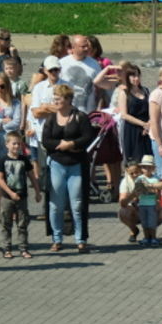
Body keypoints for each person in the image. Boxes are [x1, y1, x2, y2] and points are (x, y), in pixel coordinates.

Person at [41, 83, 94, 252]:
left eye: (58, 98)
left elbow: (88, 137)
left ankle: (80, 238)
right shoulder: (51, 119)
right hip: (57, 163)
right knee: (55, 204)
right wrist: (60, 145)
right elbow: (46, 140)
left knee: (77, 203)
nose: (55, 101)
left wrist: (71, 144)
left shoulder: (80, 117)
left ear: (68, 99)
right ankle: (57, 238)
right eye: (54, 98)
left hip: (76, 164)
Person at [0, 130, 38, 258]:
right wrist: (10, 193)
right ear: (7, 145)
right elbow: (0, 179)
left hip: (22, 196)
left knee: (22, 223)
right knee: (6, 223)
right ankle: (7, 248)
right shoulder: (3, 160)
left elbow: (32, 176)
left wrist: (37, 192)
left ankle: (23, 248)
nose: (17, 146)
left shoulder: (24, 160)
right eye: (14, 144)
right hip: (7, 197)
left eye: (19, 144)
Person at [60, 34, 113, 115]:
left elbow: (100, 89)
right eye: (83, 46)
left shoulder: (94, 64)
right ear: (74, 47)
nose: (87, 48)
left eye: (87, 46)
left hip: (87, 112)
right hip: (66, 111)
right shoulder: (62, 63)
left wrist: (99, 107)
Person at [112, 63, 150, 164]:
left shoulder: (146, 91)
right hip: (131, 129)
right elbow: (124, 115)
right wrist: (143, 124)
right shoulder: (124, 93)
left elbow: (151, 110)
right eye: (133, 76)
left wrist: (148, 124)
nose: (136, 78)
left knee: (147, 160)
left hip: (147, 129)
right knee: (134, 161)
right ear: (128, 77)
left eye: (138, 75)